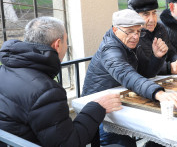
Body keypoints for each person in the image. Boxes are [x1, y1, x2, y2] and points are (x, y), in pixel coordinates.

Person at [0, 17, 122, 147]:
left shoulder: (5, 69)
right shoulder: (46, 91)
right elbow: (69, 143)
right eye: (66, 41)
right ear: (57, 44)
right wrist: (97, 108)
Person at [82, 9, 177, 146]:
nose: (135, 36)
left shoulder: (130, 43)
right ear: (115, 29)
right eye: (129, 31)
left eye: (138, 31)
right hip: (101, 114)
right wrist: (158, 93)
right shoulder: (110, 49)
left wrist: (157, 57)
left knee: (160, 140)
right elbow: (128, 75)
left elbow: (146, 73)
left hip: (121, 104)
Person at [128, 0, 177, 74]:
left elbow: (170, 52)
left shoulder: (159, 28)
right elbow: (139, 67)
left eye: (154, 13)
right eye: (146, 14)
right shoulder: (130, 35)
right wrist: (168, 68)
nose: (152, 19)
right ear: (135, 16)